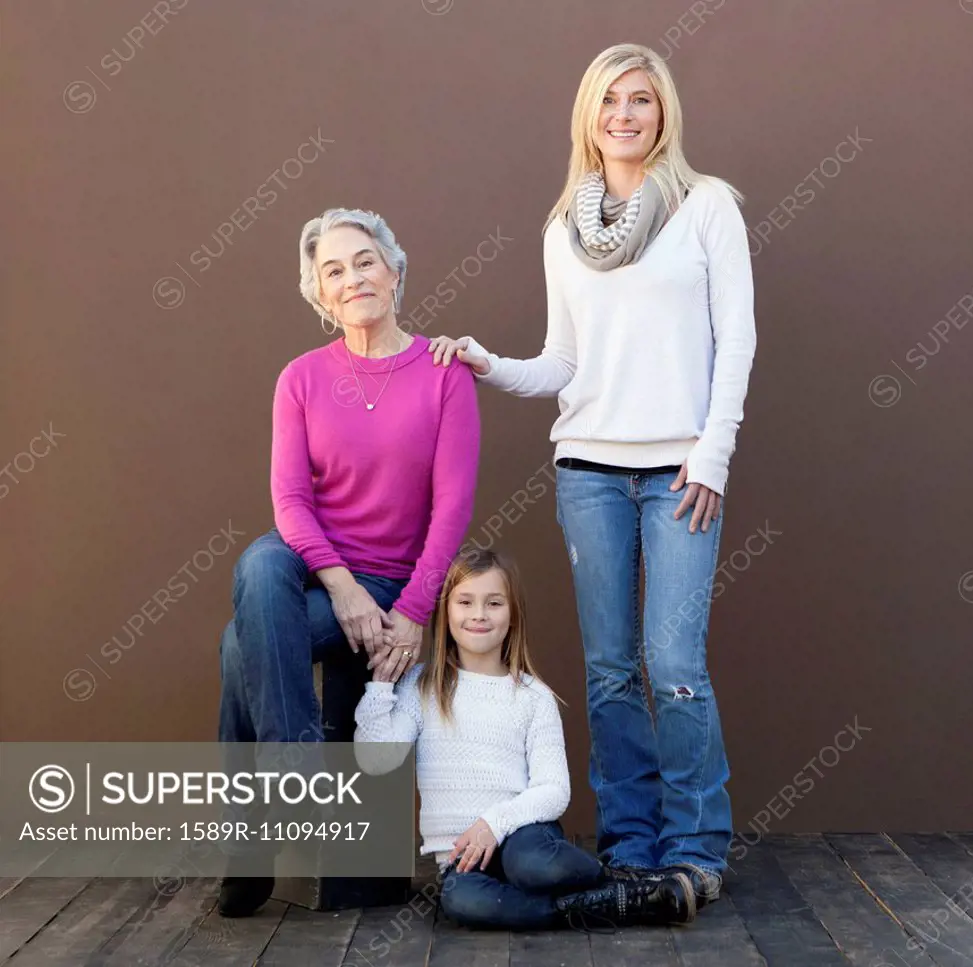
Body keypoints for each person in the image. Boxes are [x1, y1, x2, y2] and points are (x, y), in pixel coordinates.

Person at [428, 42, 757, 912]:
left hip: (682, 468)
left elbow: (739, 340)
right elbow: (563, 362)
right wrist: (488, 362)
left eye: (641, 99)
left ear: (664, 112)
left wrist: (713, 450)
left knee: (674, 663)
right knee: (611, 669)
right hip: (589, 469)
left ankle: (695, 847)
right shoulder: (562, 230)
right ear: (588, 115)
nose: (624, 114)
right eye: (609, 100)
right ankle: (631, 845)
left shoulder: (706, 207)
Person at [215, 207, 481, 917]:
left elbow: (452, 506)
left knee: (238, 641)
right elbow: (290, 499)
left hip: (391, 575)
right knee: (261, 564)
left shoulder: (443, 372)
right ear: (321, 295)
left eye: (364, 260)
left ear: (394, 271)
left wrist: (413, 610)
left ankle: (251, 837)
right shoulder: (301, 377)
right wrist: (339, 587)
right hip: (310, 565)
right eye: (334, 270)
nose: (353, 277)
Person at [354, 548, 698, 929]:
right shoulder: (422, 686)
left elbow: (554, 790)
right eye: (465, 602)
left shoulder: (534, 697)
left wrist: (492, 824)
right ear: (445, 612)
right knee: (462, 902)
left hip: (522, 836)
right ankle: (608, 903)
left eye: (494, 603)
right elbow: (377, 763)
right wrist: (380, 688)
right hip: (462, 859)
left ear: (512, 614)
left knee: (532, 866)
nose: (479, 614)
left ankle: (612, 882)